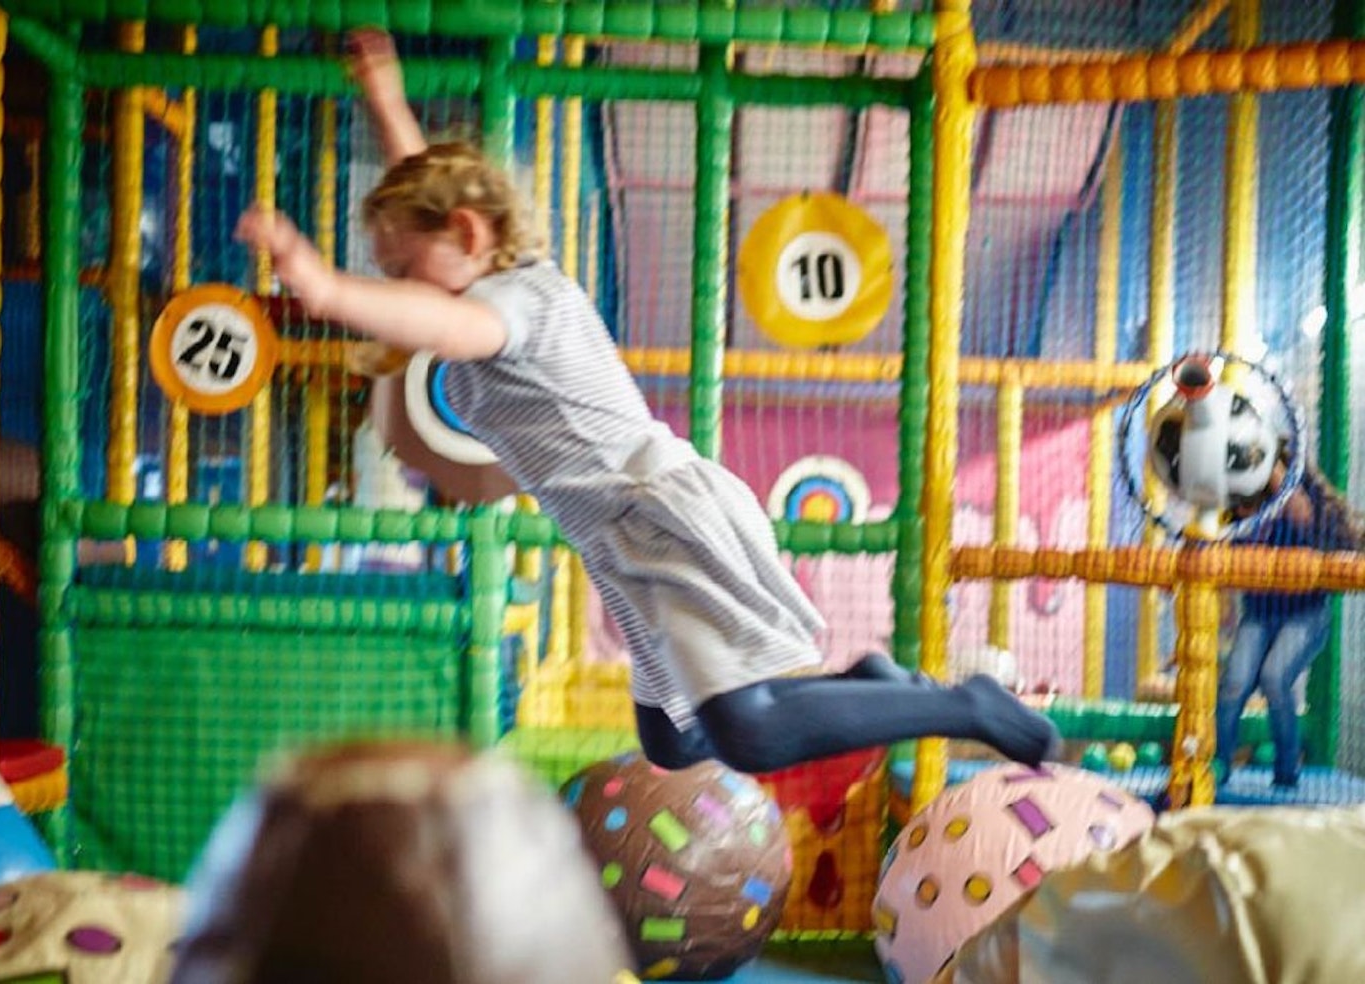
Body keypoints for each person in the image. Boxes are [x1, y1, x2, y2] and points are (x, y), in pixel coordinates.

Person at [231, 29, 1061, 775]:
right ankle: (867, 685)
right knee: (672, 741)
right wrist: (386, 100)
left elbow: (437, 310)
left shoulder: (513, 303)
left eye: (402, 266)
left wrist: (325, 286)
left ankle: (969, 706)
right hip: (623, 551)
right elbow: (429, 219)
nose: (398, 284)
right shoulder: (484, 276)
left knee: (751, 733)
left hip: (660, 519)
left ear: (470, 236)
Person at [1217, 442, 1363, 787]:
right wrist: (1225, 604)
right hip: (1260, 614)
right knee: (1232, 684)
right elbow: (1224, 555)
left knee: (1274, 678)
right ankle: (1217, 766)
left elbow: (1300, 512)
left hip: (1304, 614)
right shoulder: (1239, 509)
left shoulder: (1296, 504)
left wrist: (1269, 464)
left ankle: (1286, 773)